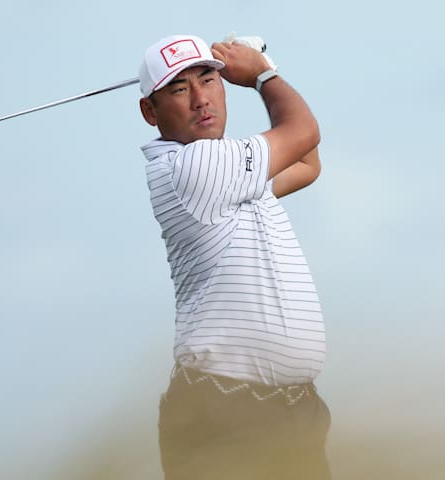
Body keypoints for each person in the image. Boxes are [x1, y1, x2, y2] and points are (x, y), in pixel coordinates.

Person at [137, 34, 330, 479]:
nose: (201, 99)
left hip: (291, 411)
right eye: (180, 89)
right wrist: (263, 75)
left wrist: (265, 65)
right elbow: (303, 132)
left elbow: (306, 162)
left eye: (209, 79)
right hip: (225, 412)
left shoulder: (227, 173)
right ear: (150, 111)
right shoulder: (194, 168)